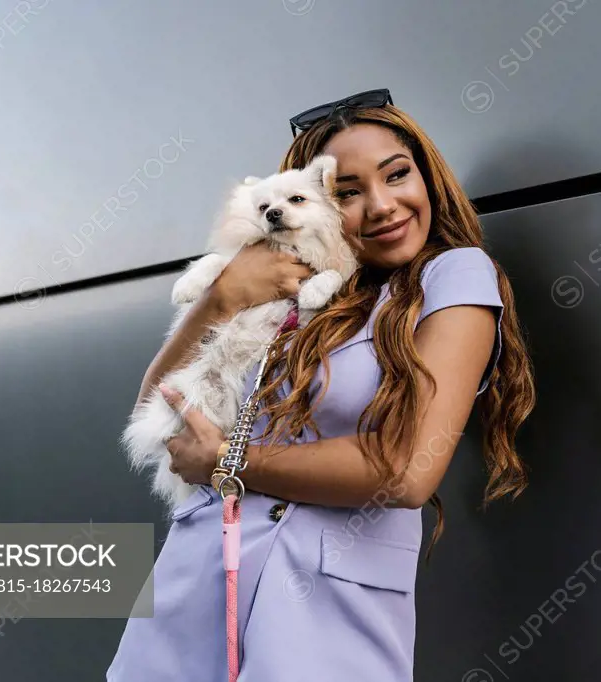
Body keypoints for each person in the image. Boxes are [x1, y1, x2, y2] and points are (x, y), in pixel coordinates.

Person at [107, 89, 536, 681]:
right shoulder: (296, 289)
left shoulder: (455, 274)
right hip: (197, 586)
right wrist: (223, 297)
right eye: (350, 192)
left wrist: (229, 460)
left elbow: (407, 469)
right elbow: (157, 414)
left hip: (325, 616)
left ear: (427, 177)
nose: (382, 205)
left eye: (396, 175)